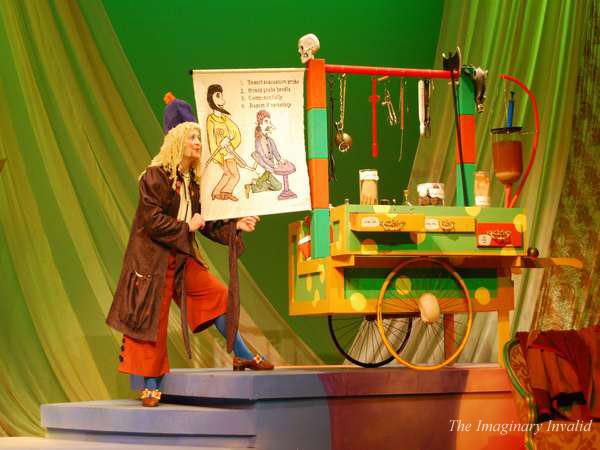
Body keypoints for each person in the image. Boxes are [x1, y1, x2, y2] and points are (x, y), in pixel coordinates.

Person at [106, 116, 273, 408]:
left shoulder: (193, 183)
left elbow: (206, 223)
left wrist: (236, 227)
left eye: (199, 138)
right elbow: (152, 220)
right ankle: (148, 385)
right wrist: (188, 227)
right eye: (191, 138)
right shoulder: (155, 176)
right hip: (151, 262)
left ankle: (242, 353)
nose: (197, 143)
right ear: (176, 142)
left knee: (217, 295)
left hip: (181, 258)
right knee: (151, 320)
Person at [205, 84, 243, 201]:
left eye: (221, 97)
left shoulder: (225, 119)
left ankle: (223, 192)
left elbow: (236, 132)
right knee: (228, 173)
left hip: (229, 152)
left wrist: (229, 140)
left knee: (235, 175)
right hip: (221, 154)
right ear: (211, 98)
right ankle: (217, 193)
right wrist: (219, 148)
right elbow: (211, 140)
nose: (222, 101)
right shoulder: (210, 120)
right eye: (218, 97)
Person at [245, 109, 283, 197]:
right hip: (264, 167)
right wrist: (273, 165)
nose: (269, 124)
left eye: (269, 122)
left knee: (278, 186)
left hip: (269, 168)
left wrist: (280, 160)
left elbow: (275, 151)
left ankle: (252, 186)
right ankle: (256, 183)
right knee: (277, 186)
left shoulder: (269, 139)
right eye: (266, 121)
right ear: (260, 123)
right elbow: (263, 158)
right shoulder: (258, 141)